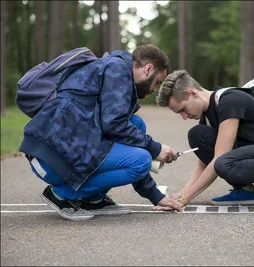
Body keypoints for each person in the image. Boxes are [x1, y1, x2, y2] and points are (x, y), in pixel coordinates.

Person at [19, 44, 183, 221]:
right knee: (141, 160)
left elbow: (117, 126)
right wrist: (155, 149)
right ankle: (60, 194)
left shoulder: (115, 67)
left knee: (136, 124)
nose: (154, 89)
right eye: (157, 82)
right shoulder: (118, 70)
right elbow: (113, 124)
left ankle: (93, 199)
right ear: (148, 69)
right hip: (50, 161)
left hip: (60, 150)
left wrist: (156, 196)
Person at [155, 70, 254, 210]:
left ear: (192, 93)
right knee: (197, 135)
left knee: (223, 163)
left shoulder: (229, 100)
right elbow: (203, 163)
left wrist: (184, 198)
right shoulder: (208, 113)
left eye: (182, 109)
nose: (184, 117)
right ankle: (246, 190)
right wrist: (181, 193)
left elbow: (219, 158)